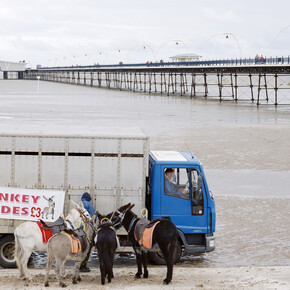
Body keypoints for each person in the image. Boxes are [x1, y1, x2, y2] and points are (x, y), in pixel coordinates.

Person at [79, 192, 95, 272]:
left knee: (80, 247)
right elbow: (93, 216)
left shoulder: (79, 204)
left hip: (78, 228)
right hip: (87, 229)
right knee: (87, 247)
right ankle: (83, 266)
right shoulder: (89, 204)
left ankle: (78, 264)